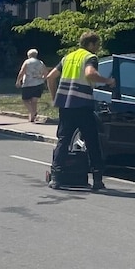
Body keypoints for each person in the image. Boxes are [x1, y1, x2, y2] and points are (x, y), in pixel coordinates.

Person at [45, 31, 115, 190]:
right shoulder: (90, 57)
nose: (97, 48)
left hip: (66, 106)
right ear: (90, 44)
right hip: (83, 105)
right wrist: (107, 80)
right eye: (97, 45)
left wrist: (55, 97)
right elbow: (90, 74)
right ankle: (97, 180)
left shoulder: (67, 57)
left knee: (63, 140)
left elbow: (50, 77)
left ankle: (56, 178)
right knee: (92, 141)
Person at [15, 48, 47, 122]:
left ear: (28, 55)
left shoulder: (27, 62)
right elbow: (46, 73)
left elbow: (22, 72)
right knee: (34, 101)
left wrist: (18, 81)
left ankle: (32, 112)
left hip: (28, 83)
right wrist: (42, 79)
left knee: (25, 100)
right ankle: (32, 117)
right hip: (39, 84)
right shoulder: (40, 62)